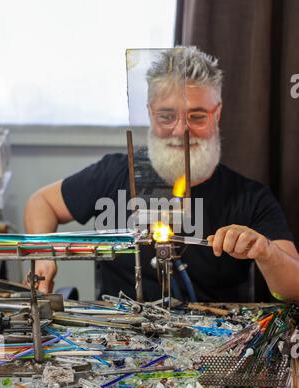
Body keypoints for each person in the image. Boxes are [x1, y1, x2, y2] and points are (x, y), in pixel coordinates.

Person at [24, 47, 299, 303]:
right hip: (120, 341)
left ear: (217, 114)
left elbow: (294, 289)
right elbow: (42, 203)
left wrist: (266, 252)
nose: (181, 131)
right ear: (150, 114)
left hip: (211, 345)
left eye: (197, 116)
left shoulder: (249, 198)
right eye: (167, 116)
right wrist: (42, 254)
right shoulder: (115, 174)